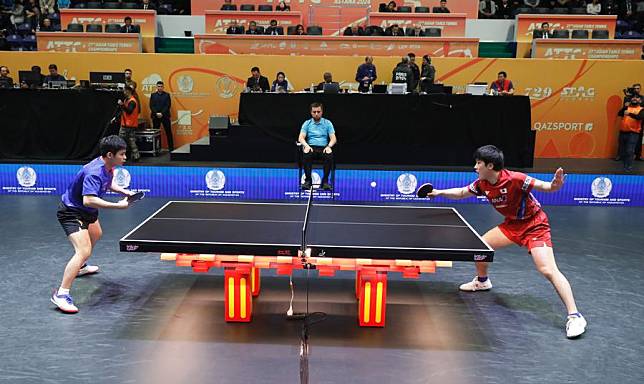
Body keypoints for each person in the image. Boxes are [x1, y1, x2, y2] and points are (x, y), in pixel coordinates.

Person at [425, 145, 587, 339]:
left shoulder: (515, 179)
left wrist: (555, 185)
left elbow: (546, 187)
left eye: (478, 163)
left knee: (547, 270)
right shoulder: (482, 184)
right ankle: (482, 282)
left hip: (534, 225)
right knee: (482, 247)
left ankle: (575, 316)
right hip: (512, 226)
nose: (475, 167)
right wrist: (439, 192)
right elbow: (461, 192)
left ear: (490, 165)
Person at [51, 135, 134, 313]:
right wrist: (117, 206)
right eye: (123, 154)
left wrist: (123, 191)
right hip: (72, 212)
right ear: (110, 154)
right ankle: (61, 294)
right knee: (83, 250)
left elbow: (107, 184)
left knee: (96, 234)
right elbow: (89, 200)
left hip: (86, 212)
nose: (125, 157)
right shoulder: (94, 172)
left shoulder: (107, 165)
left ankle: (80, 267)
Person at [298, 102, 337, 190]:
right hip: (311, 147)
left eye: (318, 112)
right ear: (311, 112)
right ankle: (308, 181)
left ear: (322, 112)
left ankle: (325, 182)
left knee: (329, 156)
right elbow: (301, 138)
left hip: (324, 147)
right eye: (314, 112)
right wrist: (306, 145)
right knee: (306, 154)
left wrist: (329, 146)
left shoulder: (327, 123)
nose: (316, 114)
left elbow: (333, 138)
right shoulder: (307, 123)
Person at [617, 95, 643, 172]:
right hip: (623, 132)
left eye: (637, 98)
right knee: (623, 151)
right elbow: (619, 113)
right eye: (633, 97)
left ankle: (628, 167)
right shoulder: (627, 108)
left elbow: (640, 117)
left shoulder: (641, 109)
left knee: (629, 151)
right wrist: (624, 107)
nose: (634, 98)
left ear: (640, 101)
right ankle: (623, 167)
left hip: (633, 133)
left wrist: (629, 114)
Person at [118, 85, 140, 161]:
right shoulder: (126, 100)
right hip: (126, 123)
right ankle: (135, 156)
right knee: (131, 141)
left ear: (128, 91)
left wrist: (122, 105)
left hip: (129, 124)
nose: (123, 92)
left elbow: (129, 111)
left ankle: (124, 156)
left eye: (124, 91)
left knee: (123, 141)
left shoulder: (132, 101)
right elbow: (123, 111)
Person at [150, 80, 174, 151]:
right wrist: (156, 113)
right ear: (156, 87)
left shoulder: (167, 95)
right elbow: (151, 106)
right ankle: (157, 148)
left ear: (163, 87)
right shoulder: (153, 95)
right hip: (155, 116)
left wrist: (162, 113)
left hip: (165, 116)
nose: (160, 87)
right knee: (156, 133)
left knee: (168, 132)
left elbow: (168, 105)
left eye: (161, 86)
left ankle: (171, 148)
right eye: (158, 86)